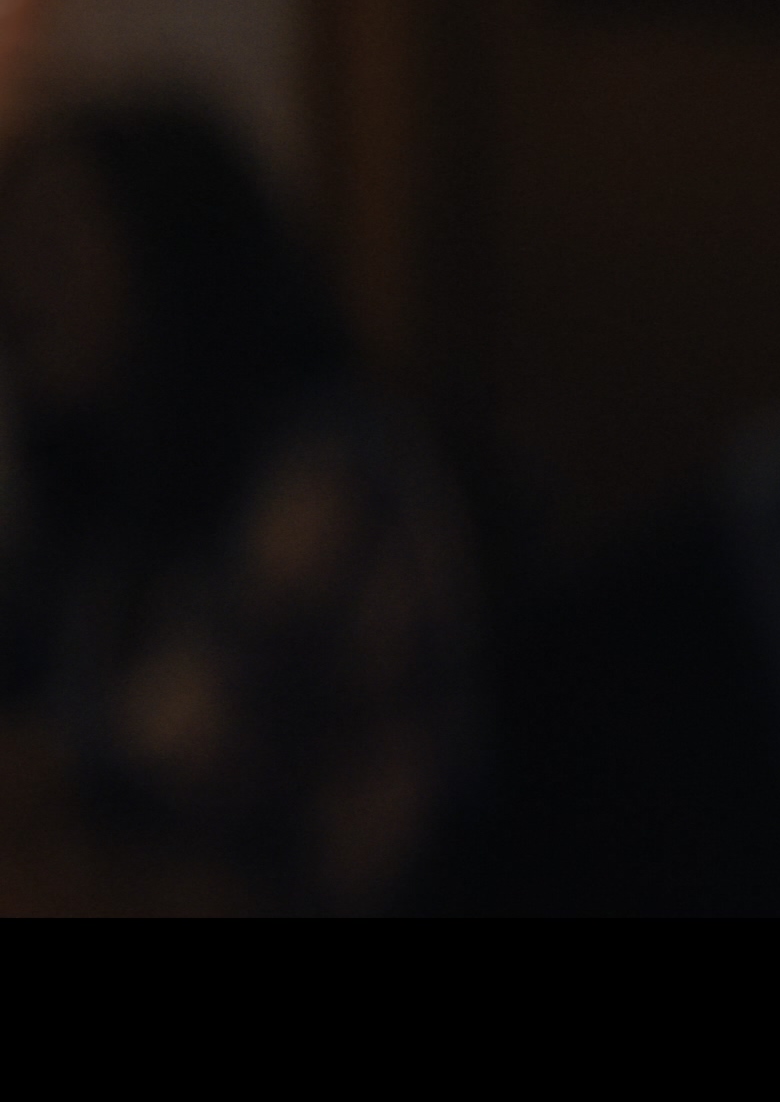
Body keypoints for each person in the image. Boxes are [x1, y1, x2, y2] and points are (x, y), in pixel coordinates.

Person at [0, 94, 475, 914]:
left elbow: (154, 763)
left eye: (56, 247)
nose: (20, 290)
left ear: (171, 256)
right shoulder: (110, 485)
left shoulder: (330, 473)